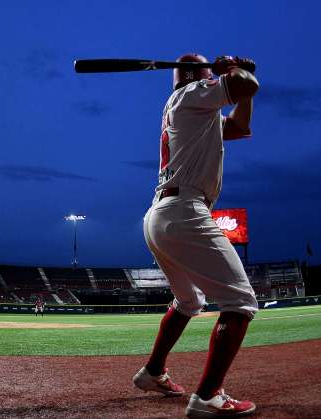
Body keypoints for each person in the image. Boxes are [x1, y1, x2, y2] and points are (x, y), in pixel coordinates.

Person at [132, 53, 259, 418]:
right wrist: (233, 70)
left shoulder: (194, 112)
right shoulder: (191, 95)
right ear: (198, 76)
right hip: (185, 210)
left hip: (162, 214)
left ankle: (153, 372)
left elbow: (239, 127)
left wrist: (239, 78)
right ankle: (209, 397)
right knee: (240, 303)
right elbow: (246, 84)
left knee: (189, 302)